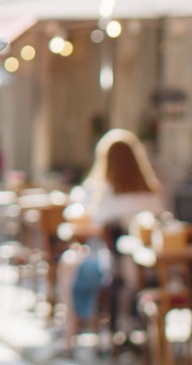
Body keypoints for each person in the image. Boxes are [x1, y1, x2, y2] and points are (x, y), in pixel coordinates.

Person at [56, 128, 166, 352]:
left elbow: (92, 224)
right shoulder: (153, 192)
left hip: (115, 271)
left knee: (70, 263)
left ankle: (70, 335)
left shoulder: (106, 194)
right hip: (149, 270)